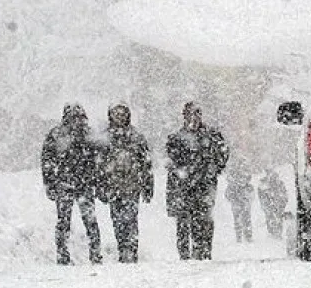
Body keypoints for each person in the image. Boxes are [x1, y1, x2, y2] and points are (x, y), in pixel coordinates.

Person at [165, 101, 229, 260]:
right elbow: (172, 160)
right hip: (183, 185)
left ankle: (203, 251)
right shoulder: (176, 138)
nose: (193, 119)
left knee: (204, 219)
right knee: (183, 220)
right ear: (184, 117)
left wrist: (214, 167)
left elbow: (223, 153)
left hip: (205, 184)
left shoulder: (212, 135)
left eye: (196, 114)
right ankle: (185, 254)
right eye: (189, 115)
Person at [41, 103, 102, 265]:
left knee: (83, 221)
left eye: (78, 116)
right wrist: (50, 183)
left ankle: (90, 254)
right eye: (73, 116)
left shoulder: (63, 134)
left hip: (78, 183)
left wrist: (96, 178)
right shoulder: (58, 134)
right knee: (69, 221)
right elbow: (47, 160)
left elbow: (98, 159)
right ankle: (70, 254)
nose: (76, 120)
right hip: (69, 183)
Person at [98, 103, 153, 263]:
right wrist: (101, 186)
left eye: (122, 114)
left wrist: (148, 186)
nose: (119, 117)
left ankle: (132, 251)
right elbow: (99, 165)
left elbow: (146, 163)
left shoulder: (136, 137)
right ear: (110, 116)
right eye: (116, 114)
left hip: (132, 187)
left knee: (131, 220)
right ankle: (122, 249)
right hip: (113, 187)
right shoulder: (105, 138)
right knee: (117, 221)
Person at [224, 164, 255, 243]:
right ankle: (244, 236)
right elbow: (228, 195)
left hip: (241, 205)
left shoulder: (235, 185)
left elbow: (251, 194)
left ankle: (244, 236)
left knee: (243, 220)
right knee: (242, 220)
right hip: (239, 205)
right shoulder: (234, 186)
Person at [257, 169, 288, 239]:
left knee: (274, 218)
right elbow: (261, 194)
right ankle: (275, 232)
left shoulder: (277, 184)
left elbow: (284, 194)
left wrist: (283, 202)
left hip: (276, 204)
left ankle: (276, 233)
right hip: (272, 204)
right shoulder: (265, 183)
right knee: (274, 217)